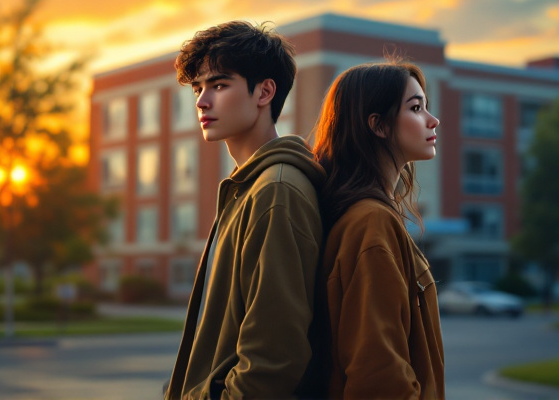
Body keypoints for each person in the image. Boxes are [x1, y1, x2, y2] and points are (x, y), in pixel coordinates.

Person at [164, 21, 325, 400]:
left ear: (265, 91)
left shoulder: (276, 192)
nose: (202, 101)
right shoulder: (247, 187)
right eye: (198, 88)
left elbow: (273, 358)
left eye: (219, 85)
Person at [313, 61, 445, 400]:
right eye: (416, 108)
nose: (433, 120)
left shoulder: (367, 215)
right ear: (378, 125)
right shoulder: (371, 221)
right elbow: (379, 373)